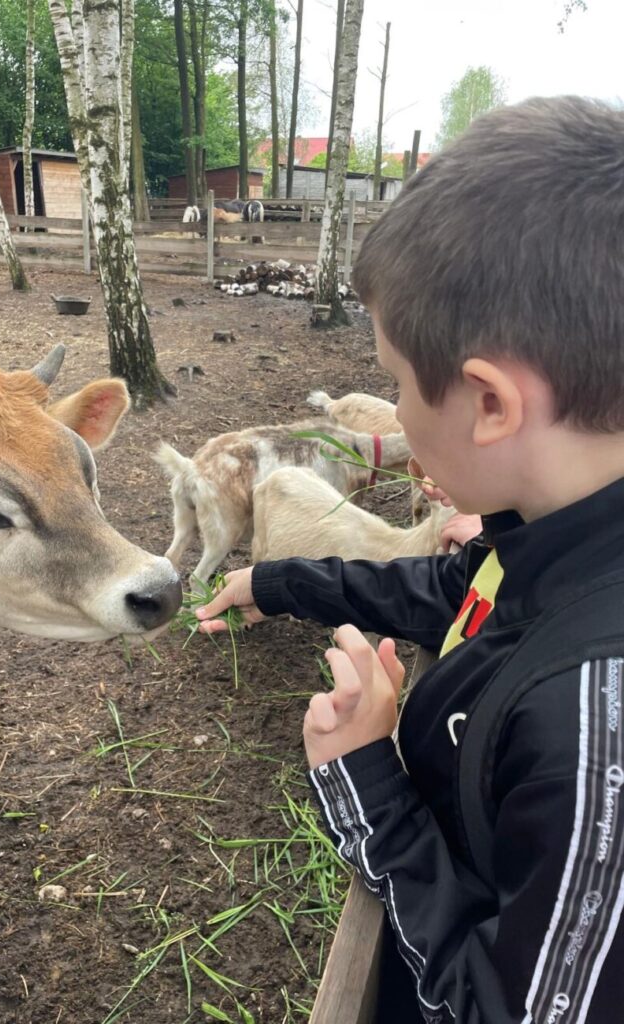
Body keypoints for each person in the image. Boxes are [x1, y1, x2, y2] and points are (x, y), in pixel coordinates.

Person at [195, 96, 624, 1023]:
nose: (394, 411)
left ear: (490, 404)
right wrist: (277, 580)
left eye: (394, 383)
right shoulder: (551, 537)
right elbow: (447, 588)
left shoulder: (594, 728)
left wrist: (366, 782)